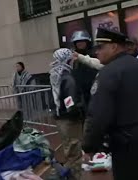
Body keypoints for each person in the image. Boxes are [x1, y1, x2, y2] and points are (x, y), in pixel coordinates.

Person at [82, 28, 138, 180]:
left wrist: (89, 146)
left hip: (126, 142)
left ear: (114, 47)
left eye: (100, 47)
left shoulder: (108, 73)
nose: (97, 52)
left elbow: (99, 114)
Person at [49, 48, 85, 180]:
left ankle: (68, 175)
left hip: (60, 118)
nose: (73, 62)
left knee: (68, 149)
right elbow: (71, 101)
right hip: (70, 120)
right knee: (74, 153)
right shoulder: (68, 78)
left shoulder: (55, 76)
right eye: (71, 59)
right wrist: (77, 113)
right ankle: (74, 176)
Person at [71, 30, 98, 107]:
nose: (80, 44)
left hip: (93, 89)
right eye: (77, 42)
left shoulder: (94, 54)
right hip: (80, 91)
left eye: (82, 42)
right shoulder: (74, 58)